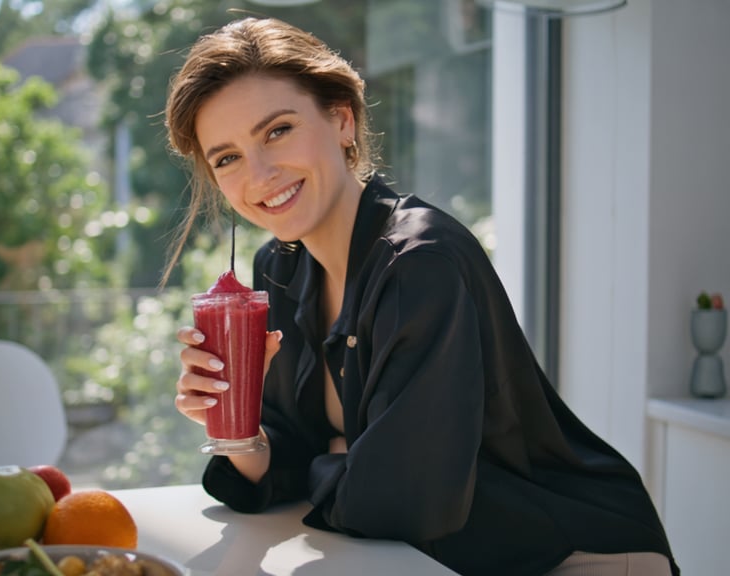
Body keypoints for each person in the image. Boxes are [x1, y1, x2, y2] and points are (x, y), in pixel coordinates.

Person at [164, 17, 678, 576]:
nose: (259, 173)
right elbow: (290, 451)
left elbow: (401, 501)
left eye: (278, 130)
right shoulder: (279, 267)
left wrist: (329, 460)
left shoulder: (418, 263)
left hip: (571, 553)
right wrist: (241, 434)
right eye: (227, 158)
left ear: (342, 119)